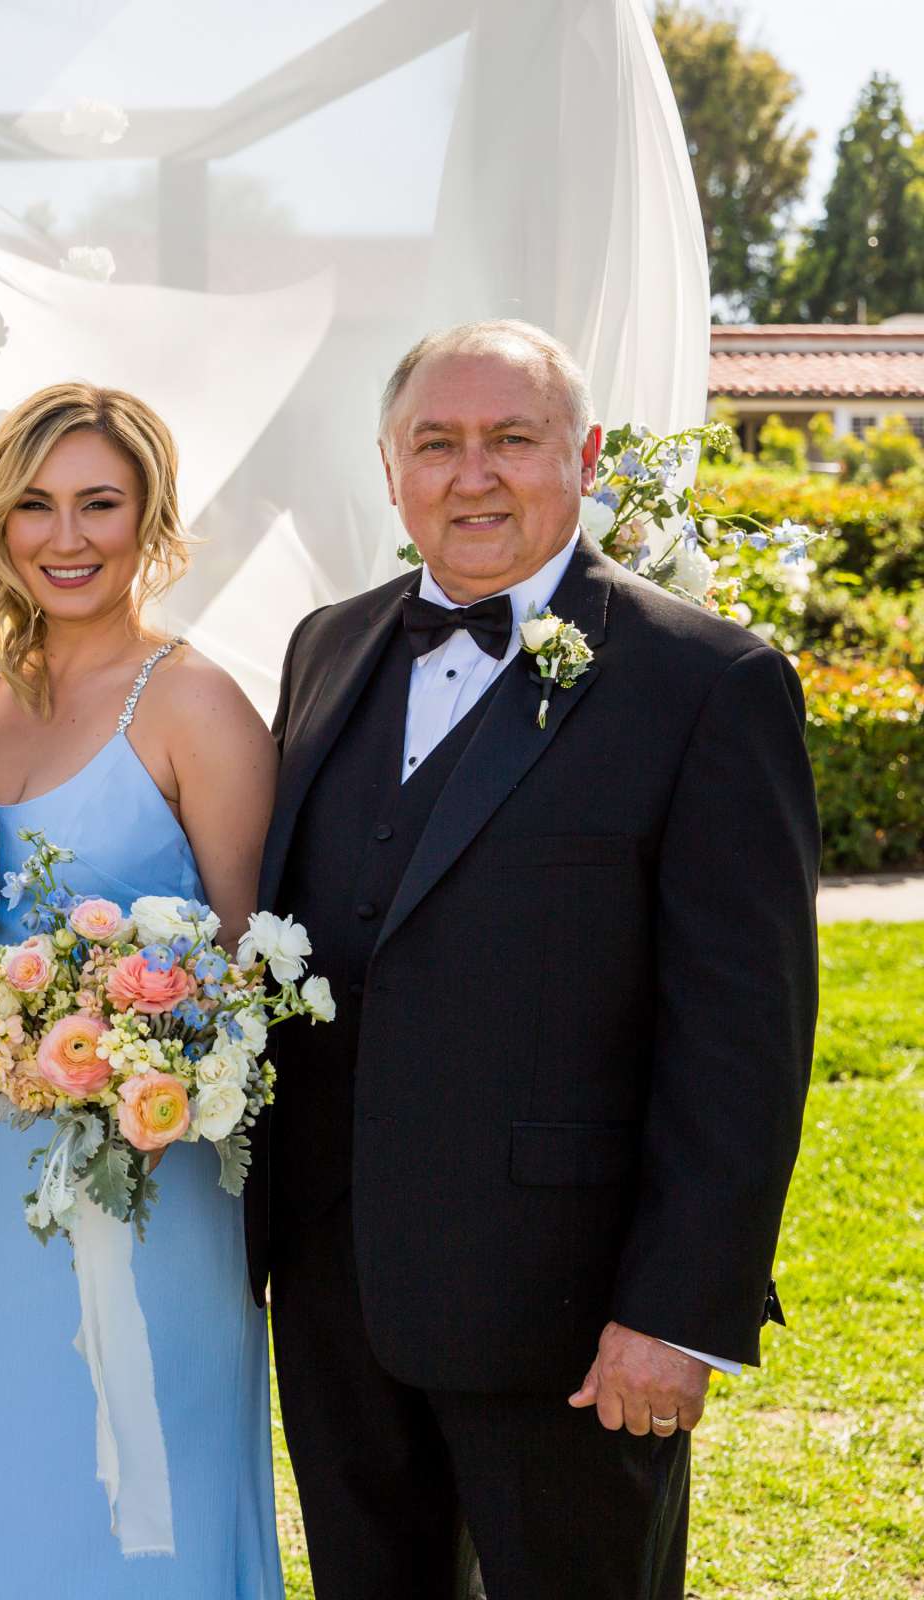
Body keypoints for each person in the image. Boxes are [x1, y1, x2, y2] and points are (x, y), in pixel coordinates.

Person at [250, 320, 817, 1598]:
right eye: (436, 443)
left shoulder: (705, 680)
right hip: (337, 1289)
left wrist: (676, 1314)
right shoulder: (326, 646)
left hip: (567, 1313)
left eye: (514, 438)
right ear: (390, 467)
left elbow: (746, 1035)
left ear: (588, 455)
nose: (474, 473)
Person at [0, 382, 284, 1595]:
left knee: (149, 1478)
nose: (68, 535)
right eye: (36, 504)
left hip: (156, 1176)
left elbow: (260, 977)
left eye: (101, 502)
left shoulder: (194, 702)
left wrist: (154, 1059)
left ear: (151, 517)